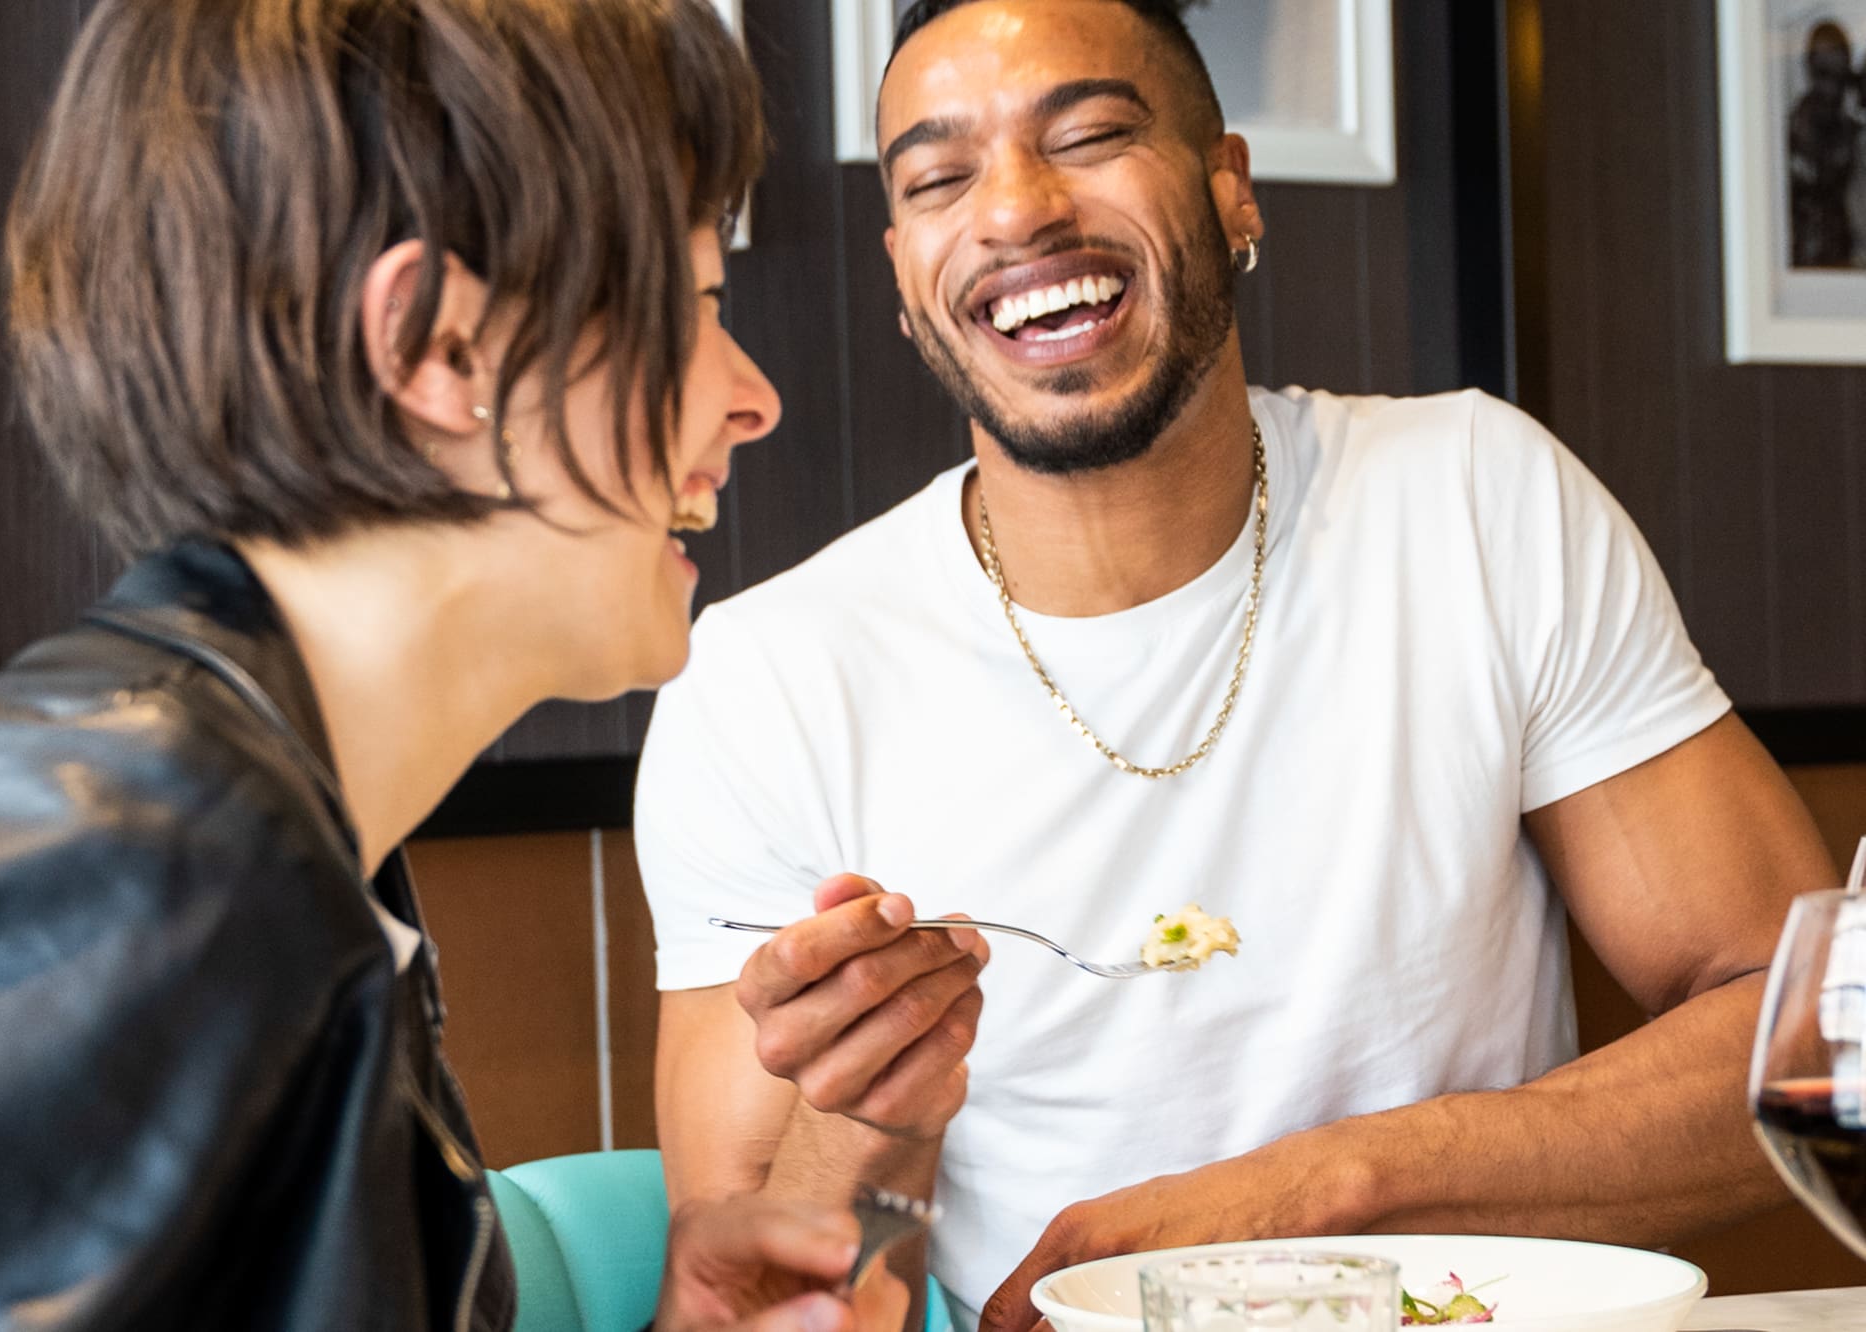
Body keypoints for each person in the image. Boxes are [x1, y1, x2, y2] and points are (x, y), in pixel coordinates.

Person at [634, 2, 1839, 1330]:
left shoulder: (1476, 500)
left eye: (1086, 135)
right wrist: (870, 1125)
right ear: (905, 278)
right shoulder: (764, 681)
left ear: (1228, 192)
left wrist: (1323, 1195)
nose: (1015, 210)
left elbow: (1806, 1043)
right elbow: (761, 1299)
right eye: (938, 178)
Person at [0, 1, 905, 1329]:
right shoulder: (144, 881)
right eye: (698, 301)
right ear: (436, 345)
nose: (749, 394)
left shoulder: (269, 845)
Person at [1789, 20, 1862, 268]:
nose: (1831, 88)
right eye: (1823, 74)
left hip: (1844, 252)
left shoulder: (1849, 128)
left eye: (1839, 77)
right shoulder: (1800, 125)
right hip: (1808, 255)